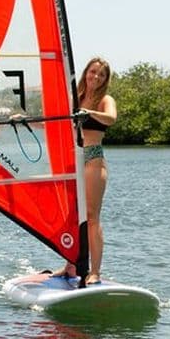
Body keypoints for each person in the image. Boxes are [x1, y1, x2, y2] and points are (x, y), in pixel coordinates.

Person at [54, 57, 117, 285]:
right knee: (72, 216)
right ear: (85, 73)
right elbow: (55, 121)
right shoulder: (76, 99)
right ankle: (71, 265)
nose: (96, 77)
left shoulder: (105, 100)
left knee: (91, 217)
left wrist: (88, 113)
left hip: (93, 160)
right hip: (73, 160)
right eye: (93, 72)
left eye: (101, 75)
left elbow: (111, 119)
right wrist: (22, 120)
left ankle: (95, 271)